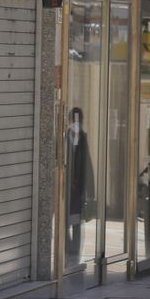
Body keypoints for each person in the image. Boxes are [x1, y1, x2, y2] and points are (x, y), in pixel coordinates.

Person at [65, 107, 95, 265]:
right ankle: (67, 249)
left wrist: (91, 191)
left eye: (79, 121)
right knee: (64, 223)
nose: (76, 124)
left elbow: (88, 165)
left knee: (76, 222)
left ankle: (74, 253)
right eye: (74, 121)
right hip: (65, 190)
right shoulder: (64, 138)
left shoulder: (83, 138)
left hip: (78, 191)